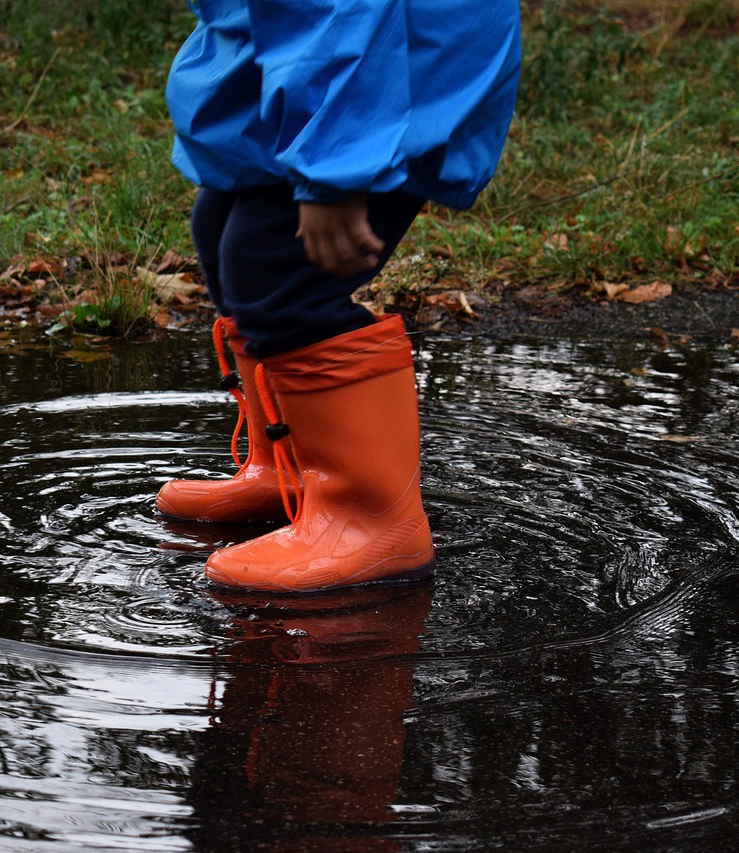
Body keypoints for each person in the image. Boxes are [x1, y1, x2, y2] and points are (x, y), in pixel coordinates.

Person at [157, 0, 522, 593]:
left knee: (276, 270)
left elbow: (342, 15)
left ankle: (371, 521)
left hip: (387, 73)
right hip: (318, 68)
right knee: (220, 227)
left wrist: (335, 170)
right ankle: (290, 468)